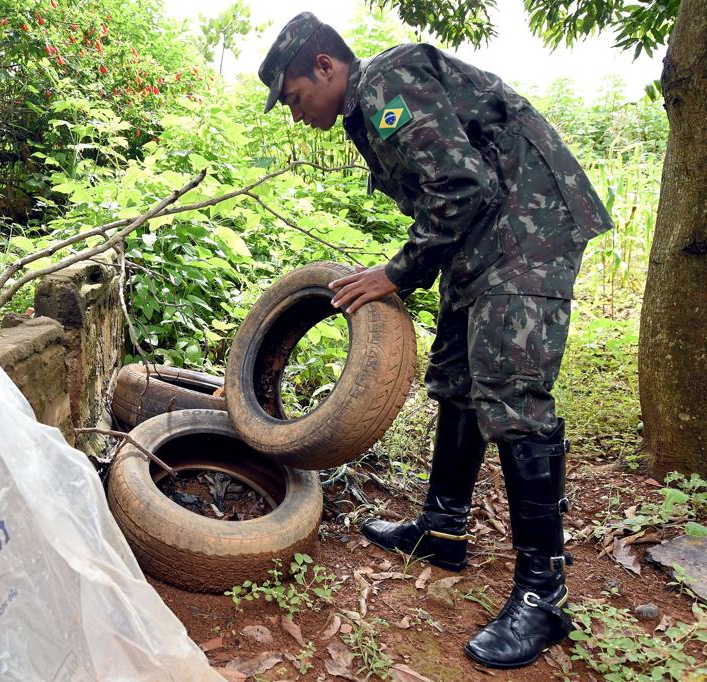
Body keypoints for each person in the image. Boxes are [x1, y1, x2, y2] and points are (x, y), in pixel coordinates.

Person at [258, 12, 612, 669]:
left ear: (325, 68)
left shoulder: (385, 84)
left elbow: (462, 184)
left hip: (526, 223)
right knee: (455, 373)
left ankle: (544, 595)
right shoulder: (367, 109)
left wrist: (395, 272)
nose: (294, 112)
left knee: (509, 389)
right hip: (483, 236)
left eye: (295, 96)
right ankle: (443, 526)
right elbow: (446, 191)